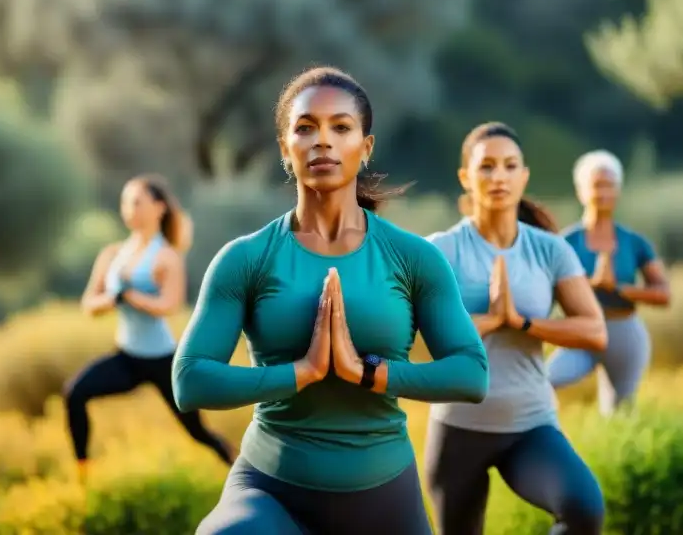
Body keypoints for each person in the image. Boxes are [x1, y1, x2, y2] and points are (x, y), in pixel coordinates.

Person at [172, 66, 489, 535]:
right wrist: (303, 373)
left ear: (365, 147)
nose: (322, 141)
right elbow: (189, 381)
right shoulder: (246, 259)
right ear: (285, 148)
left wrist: (368, 372)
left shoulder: (413, 258)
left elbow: (471, 373)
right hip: (273, 492)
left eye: (341, 127)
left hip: (384, 500)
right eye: (305, 128)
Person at [423, 121, 607, 535]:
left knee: (584, 510)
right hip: (459, 430)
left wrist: (522, 322)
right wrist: (492, 319)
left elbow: (594, 331)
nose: (499, 176)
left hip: (530, 425)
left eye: (510, 166)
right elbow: (423, 337)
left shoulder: (549, 249)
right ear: (465, 178)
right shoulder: (441, 250)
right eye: (486, 166)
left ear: (524, 176)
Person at [64, 175, 235, 482]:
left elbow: (170, 304)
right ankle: (83, 471)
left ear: (158, 208)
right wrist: (113, 299)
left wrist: (130, 296)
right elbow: (90, 305)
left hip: (162, 361)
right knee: (75, 394)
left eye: (136, 202)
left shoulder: (166, 257)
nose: (129, 209)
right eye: (125, 203)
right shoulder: (113, 254)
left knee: (197, 432)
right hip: (127, 357)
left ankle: (235, 466)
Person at [547, 150, 671, 415]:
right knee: (544, 381)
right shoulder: (565, 243)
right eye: (596, 185)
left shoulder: (634, 242)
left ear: (618, 190)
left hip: (624, 333)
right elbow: (549, 292)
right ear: (581, 191)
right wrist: (591, 284)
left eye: (609, 185)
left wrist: (619, 289)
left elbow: (663, 294)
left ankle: (617, 455)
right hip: (583, 333)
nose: (603, 193)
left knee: (620, 411)